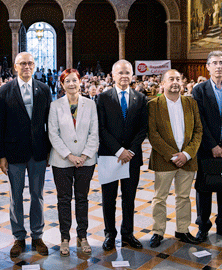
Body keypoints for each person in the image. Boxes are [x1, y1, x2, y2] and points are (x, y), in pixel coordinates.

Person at [0, 52, 52, 258]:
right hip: (13, 152)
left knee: (37, 196)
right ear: (15, 67)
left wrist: (49, 151)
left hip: (38, 151)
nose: (26, 66)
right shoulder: (4, 90)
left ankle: (37, 235)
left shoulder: (44, 89)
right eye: (22, 63)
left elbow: (50, 123)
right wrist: (0, 155)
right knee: (15, 197)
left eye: (30, 63)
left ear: (34, 66)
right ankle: (18, 237)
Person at [147, 69, 203, 248]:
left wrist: (186, 154)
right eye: (171, 79)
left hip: (187, 159)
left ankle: (183, 230)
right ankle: (158, 231)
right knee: (160, 197)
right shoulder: (154, 104)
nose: (175, 82)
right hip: (164, 159)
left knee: (184, 197)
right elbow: (153, 134)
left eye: (178, 79)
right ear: (163, 83)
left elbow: (198, 131)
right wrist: (172, 155)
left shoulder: (190, 102)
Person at [97, 59, 148, 250]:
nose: (124, 76)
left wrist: (130, 151)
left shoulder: (141, 98)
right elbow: (101, 129)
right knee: (108, 198)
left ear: (132, 75)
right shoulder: (102, 98)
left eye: (128, 73)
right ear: (112, 74)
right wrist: (119, 151)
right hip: (110, 155)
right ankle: (110, 234)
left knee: (129, 197)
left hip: (132, 157)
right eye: (120, 73)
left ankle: (128, 233)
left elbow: (143, 128)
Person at [192, 51, 222, 242]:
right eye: (214, 63)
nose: (218, 66)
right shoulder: (199, 89)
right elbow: (200, 120)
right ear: (208, 66)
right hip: (206, 147)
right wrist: (212, 144)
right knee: (204, 188)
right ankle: (203, 226)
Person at [48, 68, 99, 256]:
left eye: (74, 80)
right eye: (67, 81)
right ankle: (64, 238)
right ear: (62, 84)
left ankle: (82, 235)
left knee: (82, 198)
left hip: (86, 160)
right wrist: (69, 155)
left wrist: (84, 155)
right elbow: (53, 134)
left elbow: (94, 132)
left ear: (80, 82)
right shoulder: (55, 106)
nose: (71, 84)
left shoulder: (90, 105)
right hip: (62, 160)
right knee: (63, 199)